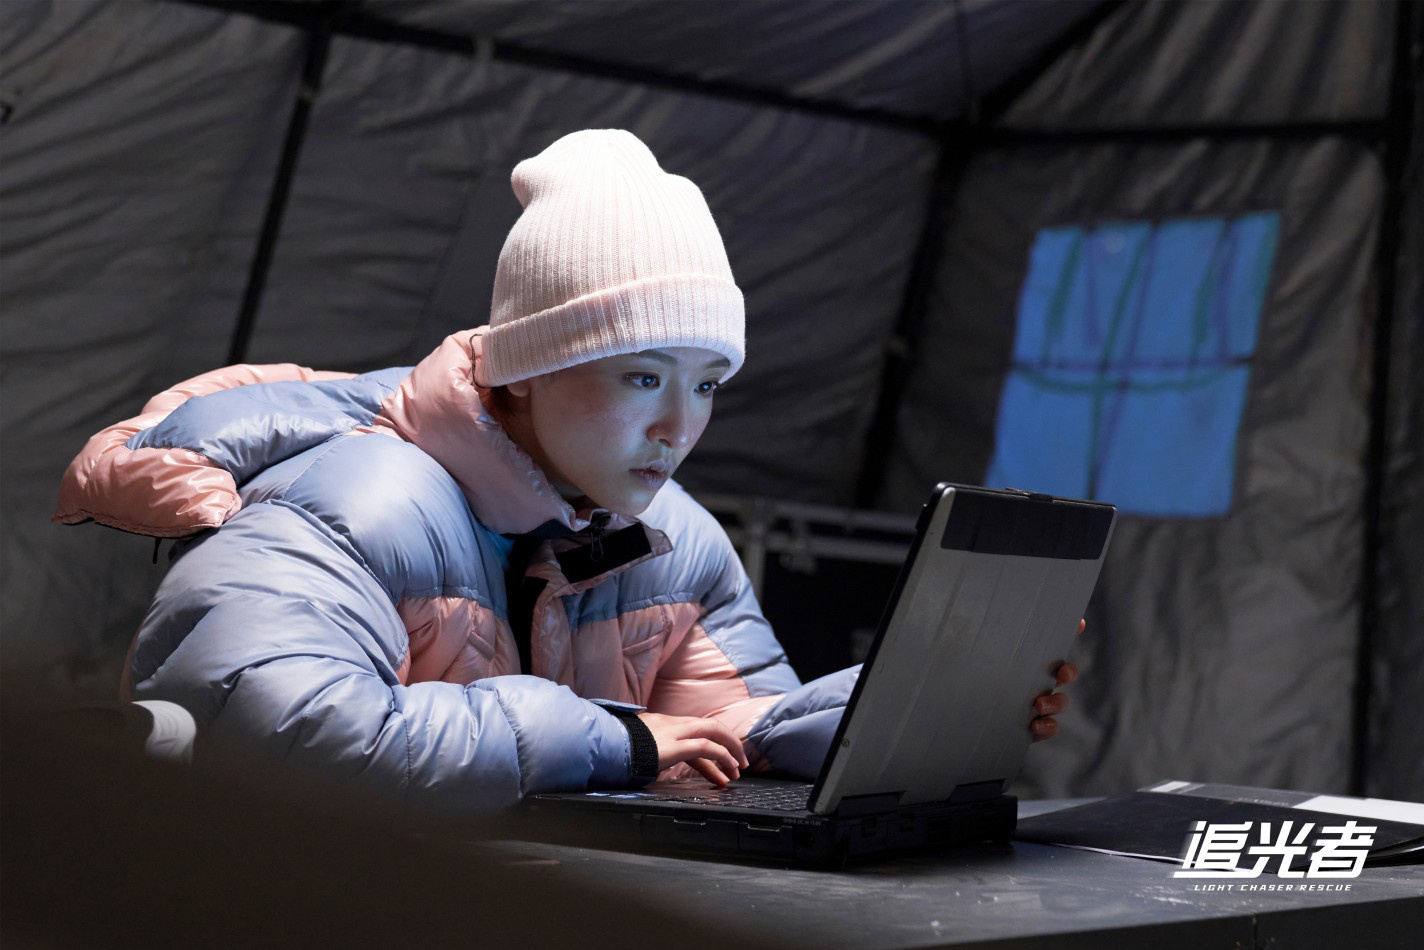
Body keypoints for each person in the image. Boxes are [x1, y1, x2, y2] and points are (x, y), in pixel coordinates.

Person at [55, 129, 1077, 813]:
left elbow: (729, 734)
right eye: (642, 376)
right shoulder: (341, 506)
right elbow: (268, 737)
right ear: (524, 370)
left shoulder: (671, 539)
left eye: (708, 383)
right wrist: (611, 738)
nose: (680, 425)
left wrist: (918, 702)